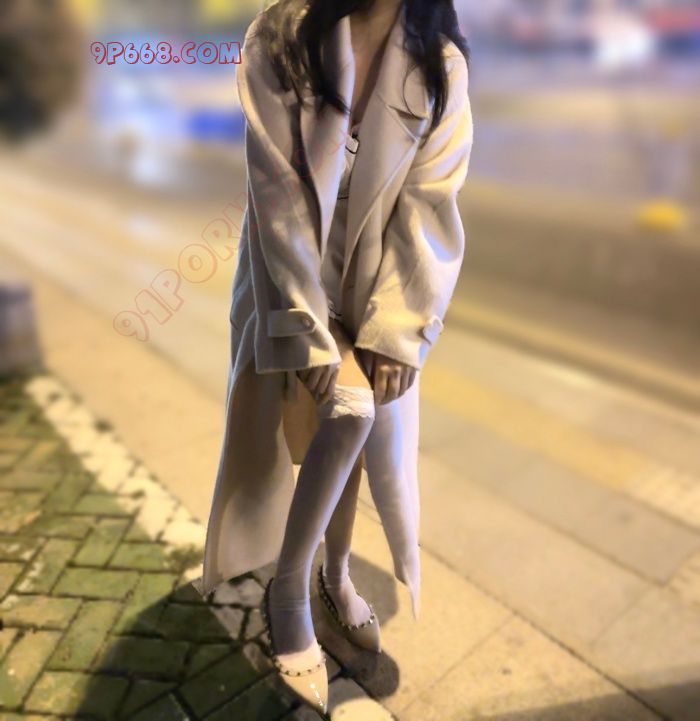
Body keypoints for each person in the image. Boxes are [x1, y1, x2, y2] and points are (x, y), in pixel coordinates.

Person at [200, 0, 473, 715]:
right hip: (290, 275)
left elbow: (431, 204)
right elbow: (276, 198)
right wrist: (304, 322)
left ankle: (334, 575)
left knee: (358, 419)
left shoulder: (439, 63)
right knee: (348, 410)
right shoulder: (281, 36)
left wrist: (399, 326)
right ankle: (292, 590)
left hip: (377, 280)